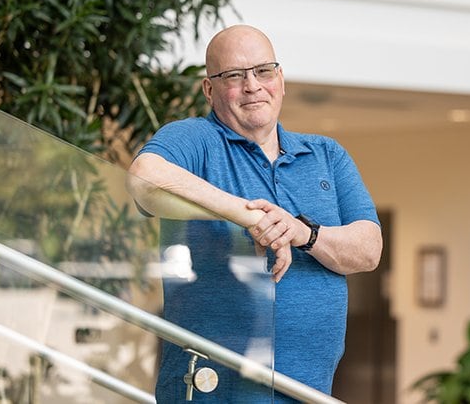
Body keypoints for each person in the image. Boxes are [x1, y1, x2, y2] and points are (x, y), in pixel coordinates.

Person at [127, 24, 382, 402]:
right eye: (234, 75)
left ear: (281, 79)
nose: (252, 85)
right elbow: (144, 178)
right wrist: (251, 217)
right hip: (209, 390)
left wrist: (303, 233)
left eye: (264, 71)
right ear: (209, 89)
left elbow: (369, 250)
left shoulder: (327, 154)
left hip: (308, 391)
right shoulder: (195, 139)